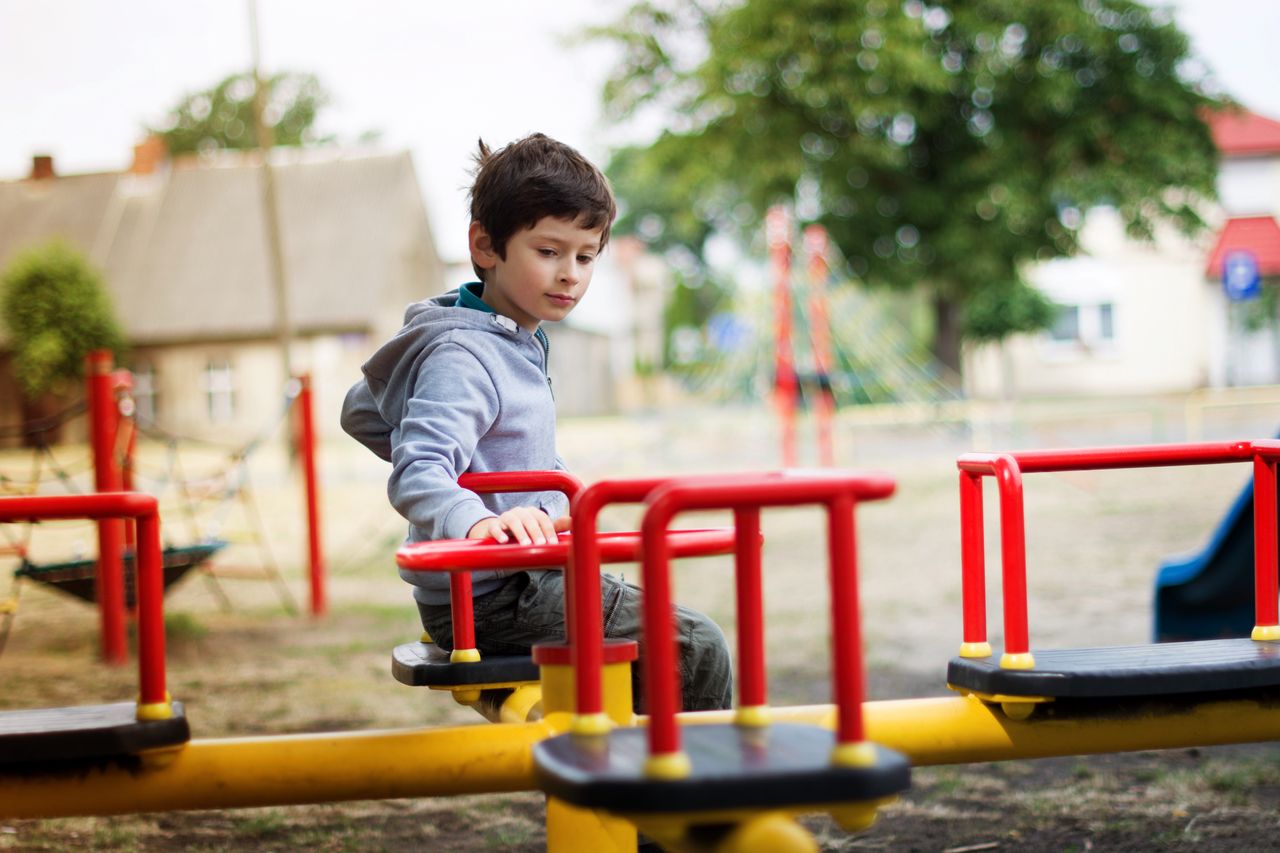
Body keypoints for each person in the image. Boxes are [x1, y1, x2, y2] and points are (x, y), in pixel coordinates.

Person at [341, 133, 731, 714]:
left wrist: (500, 481)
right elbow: (418, 467)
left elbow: (364, 409)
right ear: (485, 246)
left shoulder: (501, 334)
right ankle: (696, 798)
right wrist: (477, 519)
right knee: (695, 647)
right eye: (548, 251)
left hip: (514, 578)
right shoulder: (464, 353)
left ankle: (640, 765)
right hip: (497, 594)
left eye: (585, 255)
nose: (570, 273)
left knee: (657, 639)